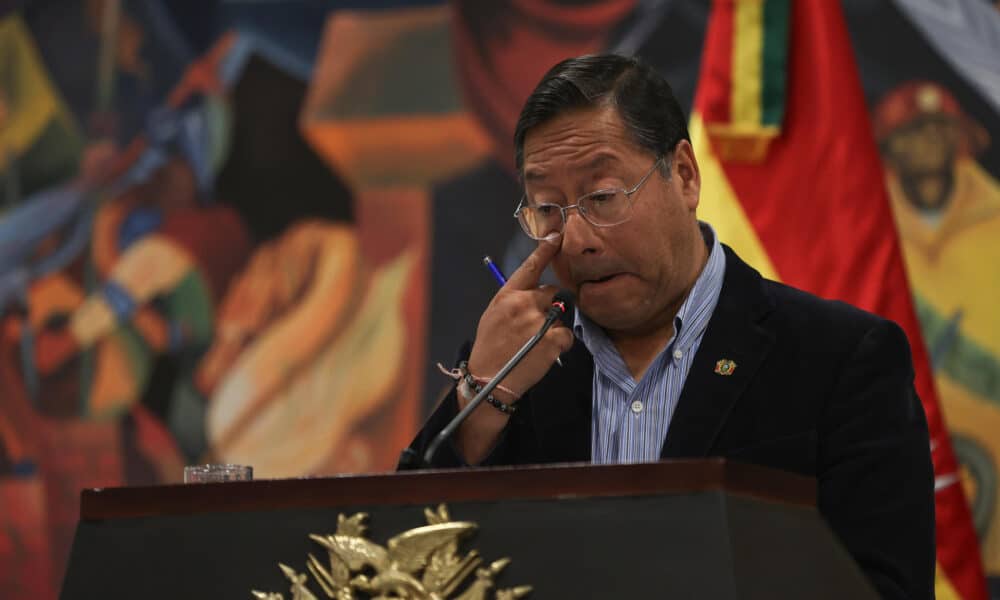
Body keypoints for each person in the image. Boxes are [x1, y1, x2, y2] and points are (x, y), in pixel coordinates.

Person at [400, 54, 934, 600]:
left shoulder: (841, 359)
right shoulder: (515, 366)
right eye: (547, 209)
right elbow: (404, 564)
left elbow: (886, 586)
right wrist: (482, 391)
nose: (576, 238)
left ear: (683, 175)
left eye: (602, 197)